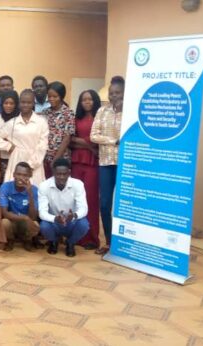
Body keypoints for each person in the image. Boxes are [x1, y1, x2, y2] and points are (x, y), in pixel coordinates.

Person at [91, 76, 124, 255]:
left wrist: (117, 142)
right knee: (104, 204)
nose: (114, 96)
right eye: (111, 93)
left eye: (117, 92)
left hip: (126, 165)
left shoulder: (132, 113)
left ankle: (124, 243)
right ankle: (110, 242)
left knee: (124, 204)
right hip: (105, 163)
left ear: (125, 93)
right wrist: (114, 141)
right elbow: (93, 135)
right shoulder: (102, 112)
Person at [0, 89, 49, 187]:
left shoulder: (41, 122)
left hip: (35, 162)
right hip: (16, 161)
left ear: (33, 103)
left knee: (34, 192)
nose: (25, 105)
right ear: (19, 103)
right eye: (23, 102)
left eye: (29, 102)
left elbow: (42, 146)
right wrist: (8, 146)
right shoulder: (13, 123)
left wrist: (30, 165)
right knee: (15, 191)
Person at [38, 158, 90, 257]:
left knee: (84, 224)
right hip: (55, 222)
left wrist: (74, 215)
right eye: (58, 174)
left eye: (64, 174)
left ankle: (70, 243)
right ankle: (54, 241)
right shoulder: (44, 186)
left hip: (71, 221)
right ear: (53, 172)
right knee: (44, 226)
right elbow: (42, 212)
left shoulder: (78, 184)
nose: (61, 177)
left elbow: (84, 208)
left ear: (69, 172)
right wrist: (55, 218)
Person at [71, 90, 101, 250]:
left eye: (90, 99)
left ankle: (91, 237)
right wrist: (88, 144)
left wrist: (80, 141)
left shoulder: (100, 117)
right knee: (75, 199)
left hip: (92, 164)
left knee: (90, 200)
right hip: (76, 162)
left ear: (95, 101)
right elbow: (70, 141)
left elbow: (98, 140)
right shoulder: (76, 118)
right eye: (84, 100)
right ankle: (76, 236)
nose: (87, 102)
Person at [0, 162, 40, 252]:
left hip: (26, 224)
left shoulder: (34, 190)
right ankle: (10, 240)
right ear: (13, 174)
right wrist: (24, 217)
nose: (21, 178)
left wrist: (30, 194)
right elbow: (4, 213)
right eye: (18, 174)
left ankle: (27, 240)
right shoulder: (5, 187)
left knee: (36, 224)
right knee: (4, 222)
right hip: (12, 220)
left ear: (30, 176)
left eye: (25, 175)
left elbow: (33, 217)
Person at [0, 90, 19, 202]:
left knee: (18, 189)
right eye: (6, 103)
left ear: (16, 104)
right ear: (2, 104)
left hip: (18, 161)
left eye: (12, 103)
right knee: (4, 191)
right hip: (3, 161)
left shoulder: (20, 119)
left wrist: (6, 140)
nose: (8, 106)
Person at [41, 81, 76, 179]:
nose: (51, 99)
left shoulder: (68, 113)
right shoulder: (45, 112)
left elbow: (67, 138)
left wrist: (55, 160)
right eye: (49, 96)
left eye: (55, 96)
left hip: (61, 159)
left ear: (61, 96)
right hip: (45, 157)